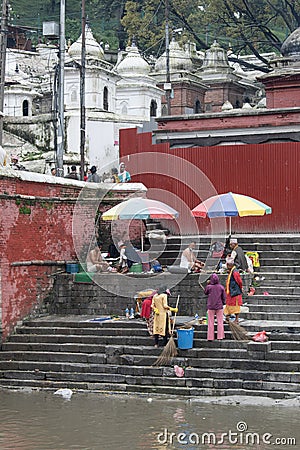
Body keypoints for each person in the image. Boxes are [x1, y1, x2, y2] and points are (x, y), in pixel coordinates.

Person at [204, 273, 226, 341]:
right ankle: (220, 336)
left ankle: (210, 337)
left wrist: (208, 285)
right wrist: (223, 303)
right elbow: (224, 297)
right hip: (219, 306)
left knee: (210, 322)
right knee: (220, 322)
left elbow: (205, 292)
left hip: (211, 306)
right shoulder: (221, 287)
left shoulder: (209, 287)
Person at [224, 256, 243, 324]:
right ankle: (227, 317)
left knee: (235, 306)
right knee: (228, 304)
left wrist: (240, 288)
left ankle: (236, 319)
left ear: (230, 265)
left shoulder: (235, 272)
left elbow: (239, 281)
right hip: (231, 291)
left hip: (235, 291)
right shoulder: (231, 271)